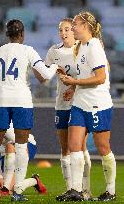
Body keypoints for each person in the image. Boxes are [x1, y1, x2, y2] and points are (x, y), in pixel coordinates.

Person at [0, 19, 57, 202]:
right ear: (22, 34)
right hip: (22, 101)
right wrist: (55, 66)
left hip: (2, 101)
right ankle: (18, 191)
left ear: (7, 34)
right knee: (21, 145)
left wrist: (4, 89)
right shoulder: (28, 50)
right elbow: (45, 75)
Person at [59, 11, 116, 201]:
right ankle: (77, 190)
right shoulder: (80, 47)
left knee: (102, 147)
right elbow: (85, 76)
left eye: (75, 24)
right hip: (80, 104)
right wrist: (73, 89)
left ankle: (111, 190)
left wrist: (74, 83)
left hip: (97, 104)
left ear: (86, 26)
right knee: (74, 145)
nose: (73, 27)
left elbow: (100, 78)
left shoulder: (94, 47)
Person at [45, 18, 92, 201]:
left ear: (73, 31)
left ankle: (85, 190)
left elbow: (90, 76)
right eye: (61, 30)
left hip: (81, 103)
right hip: (62, 105)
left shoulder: (82, 49)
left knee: (79, 147)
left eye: (67, 29)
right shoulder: (53, 51)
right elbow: (45, 74)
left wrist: (73, 88)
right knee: (65, 148)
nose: (64, 33)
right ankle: (70, 188)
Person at [0, 122, 47, 196]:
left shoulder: (5, 125)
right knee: (13, 188)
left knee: (9, 145)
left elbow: (22, 146)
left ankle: (6, 188)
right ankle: (34, 181)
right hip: (6, 156)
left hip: (27, 145)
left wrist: (19, 169)